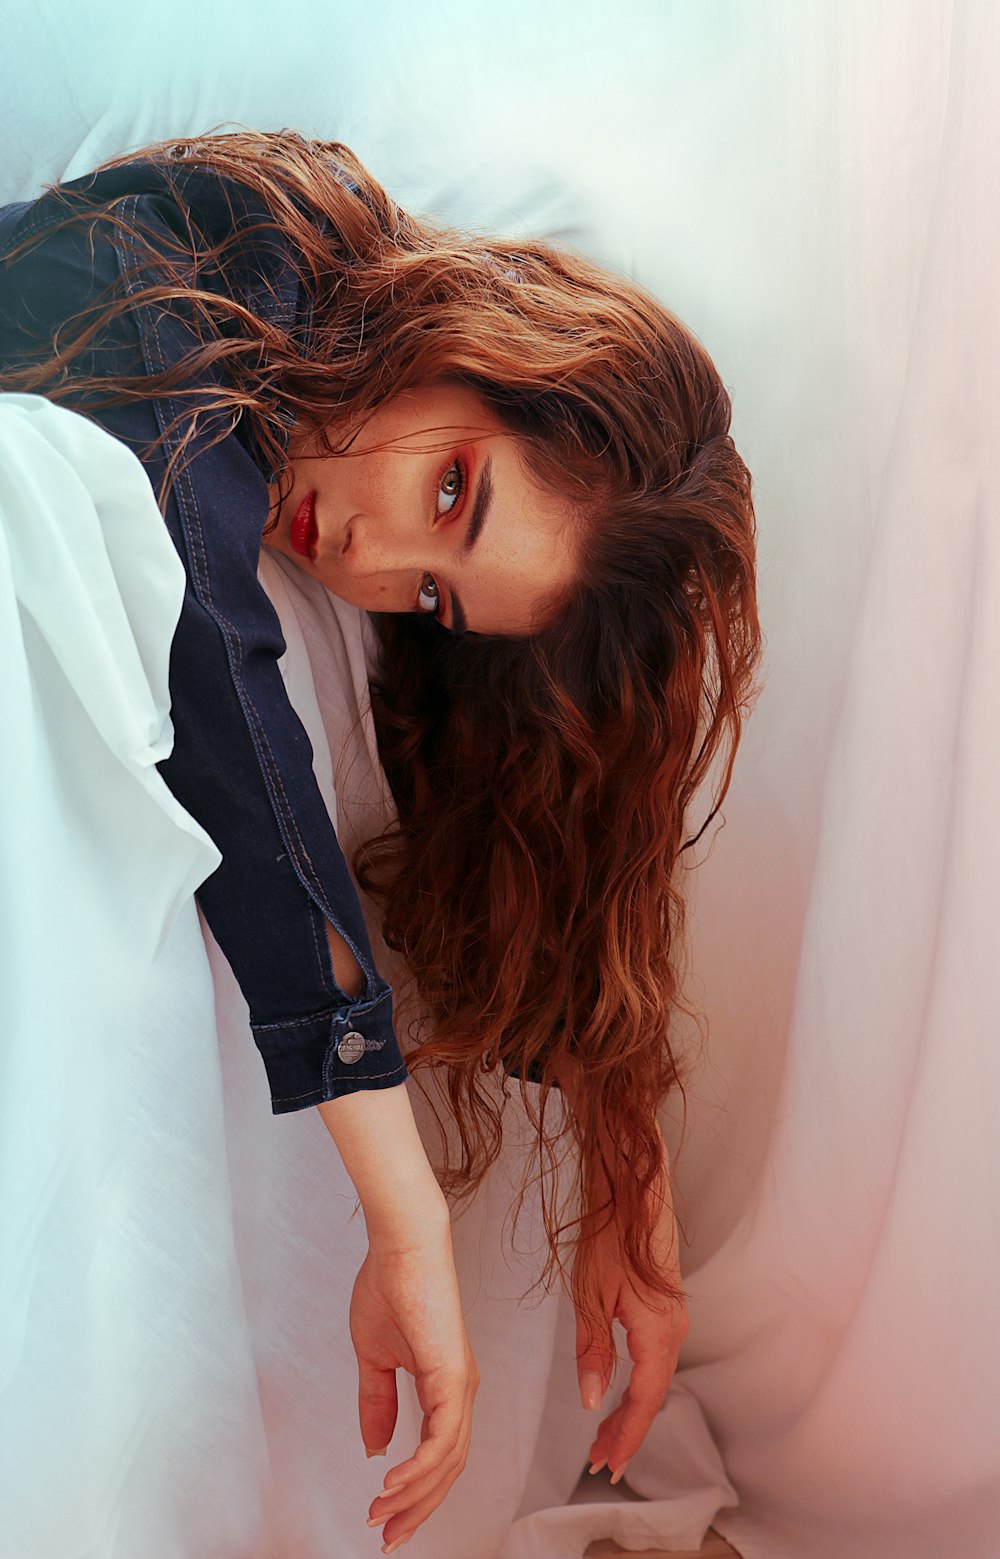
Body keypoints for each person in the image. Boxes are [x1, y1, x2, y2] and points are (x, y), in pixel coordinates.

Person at [0, 128, 760, 1552]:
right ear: (477, 346)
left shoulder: (332, 481)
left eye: (435, 594)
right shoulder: (226, 251)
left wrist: (628, 1165)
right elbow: (210, 658)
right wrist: (398, 1205)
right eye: (454, 490)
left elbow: (551, 829)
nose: (367, 563)